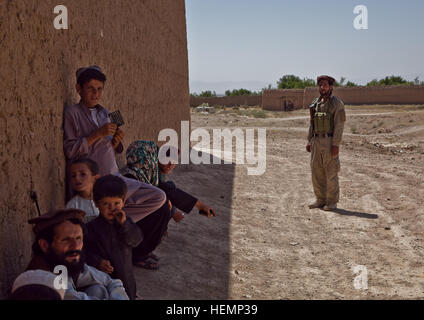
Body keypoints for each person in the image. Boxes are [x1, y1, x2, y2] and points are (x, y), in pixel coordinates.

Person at [63, 65, 166, 219]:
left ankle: (112, 221)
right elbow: (70, 150)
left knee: (158, 197)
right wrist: (97, 133)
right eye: (91, 88)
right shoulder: (73, 113)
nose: (96, 94)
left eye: (99, 89)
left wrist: (117, 142)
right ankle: (107, 222)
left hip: (115, 177)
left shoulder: (106, 113)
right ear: (78, 88)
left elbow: (115, 148)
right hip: (95, 182)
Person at [121, 140, 216, 269]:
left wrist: (199, 205)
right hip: (125, 224)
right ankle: (138, 255)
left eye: (174, 162)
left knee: (167, 198)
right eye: (167, 159)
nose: (170, 165)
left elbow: (169, 190)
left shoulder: (150, 174)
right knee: (163, 209)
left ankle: (144, 250)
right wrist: (171, 211)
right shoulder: (132, 177)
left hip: (134, 221)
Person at [26, 209, 129, 300]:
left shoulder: (62, 262)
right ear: (45, 245)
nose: (75, 246)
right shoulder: (43, 277)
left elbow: (112, 282)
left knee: (98, 289)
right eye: (66, 240)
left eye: (78, 238)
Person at [85, 175, 143, 300]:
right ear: (96, 203)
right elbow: (84, 253)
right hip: (101, 279)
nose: (112, 208)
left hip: (125, 277)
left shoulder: (126, 223)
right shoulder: (91, 228)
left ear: (123, 202)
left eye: (116, 203)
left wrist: (124, 225)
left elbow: (136, 240)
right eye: (106, 204)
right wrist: (97, 262)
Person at [306, 75, 346, 211]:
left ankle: (332, 202)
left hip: (329, 142)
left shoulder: (337, 104)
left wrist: (336, 145)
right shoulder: (316, 103)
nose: (322, 88)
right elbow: (312, 123)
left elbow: (339, 125)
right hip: (316, 141)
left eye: (325, 85)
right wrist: (309, 140)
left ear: (331, 87)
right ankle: (320, 199)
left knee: (331, 172)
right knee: (316, 172)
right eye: (320, 85)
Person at [66, 157, 100, 223]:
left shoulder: (105, 199)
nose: (77, 178)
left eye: (83, 174)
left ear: (95, 178)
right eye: (73, 176)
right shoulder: (72, 205)